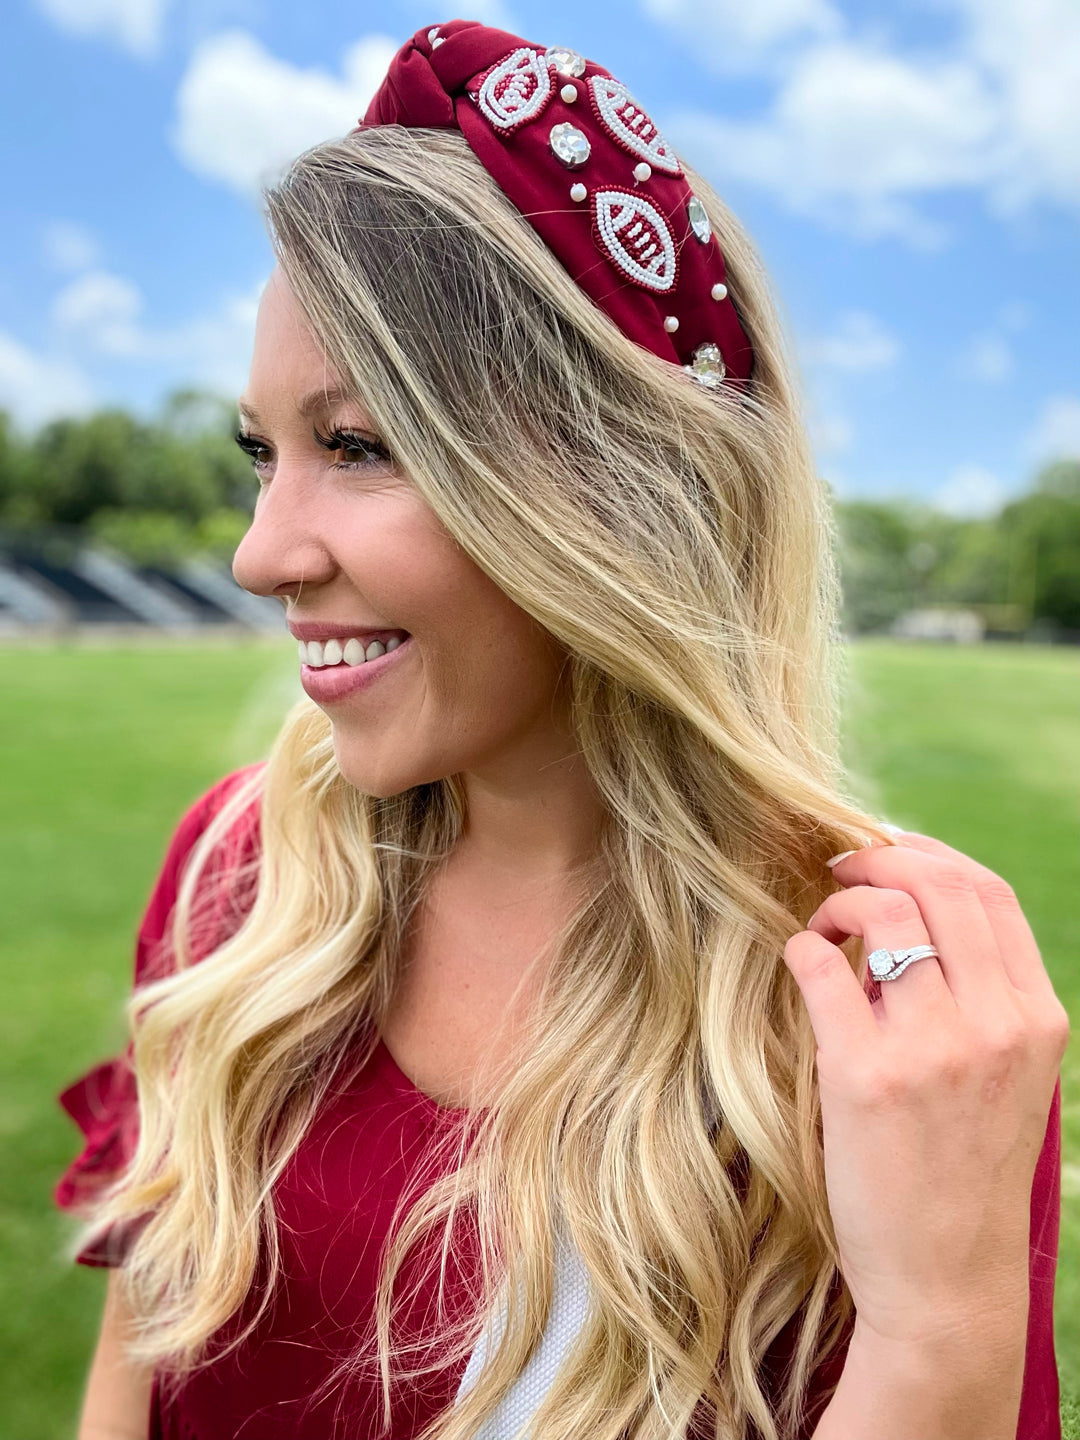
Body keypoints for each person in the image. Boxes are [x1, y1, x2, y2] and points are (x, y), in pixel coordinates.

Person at [55, 19, 1068, 1440]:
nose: (259, 551)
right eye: (261, 452)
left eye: (357, 446)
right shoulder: (244, 875)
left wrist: (941, 1330)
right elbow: (137, 1371)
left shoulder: (887, 1016)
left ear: (611, 493)